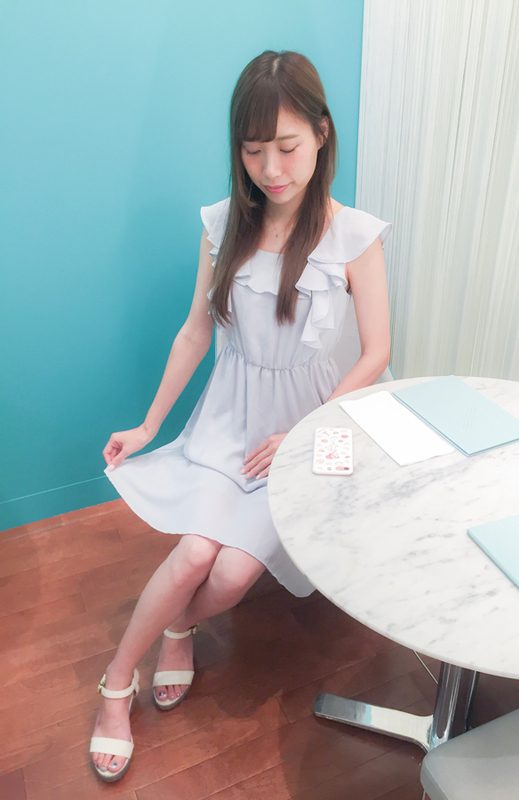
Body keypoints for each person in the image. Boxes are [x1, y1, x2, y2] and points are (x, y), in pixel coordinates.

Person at [89, 49, 392, 782]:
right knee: (195, 554)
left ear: (321, 133)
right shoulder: (222, 223)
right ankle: (115, 686)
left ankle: (182, 626)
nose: (271, 169)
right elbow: (196, 332)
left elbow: (377, 352)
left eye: (286, 147)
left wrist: (306, 435)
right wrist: (150, 426)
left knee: (228, 578)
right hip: (229, 419)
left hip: (301, 427)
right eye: (253, 151)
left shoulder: (355, 236)